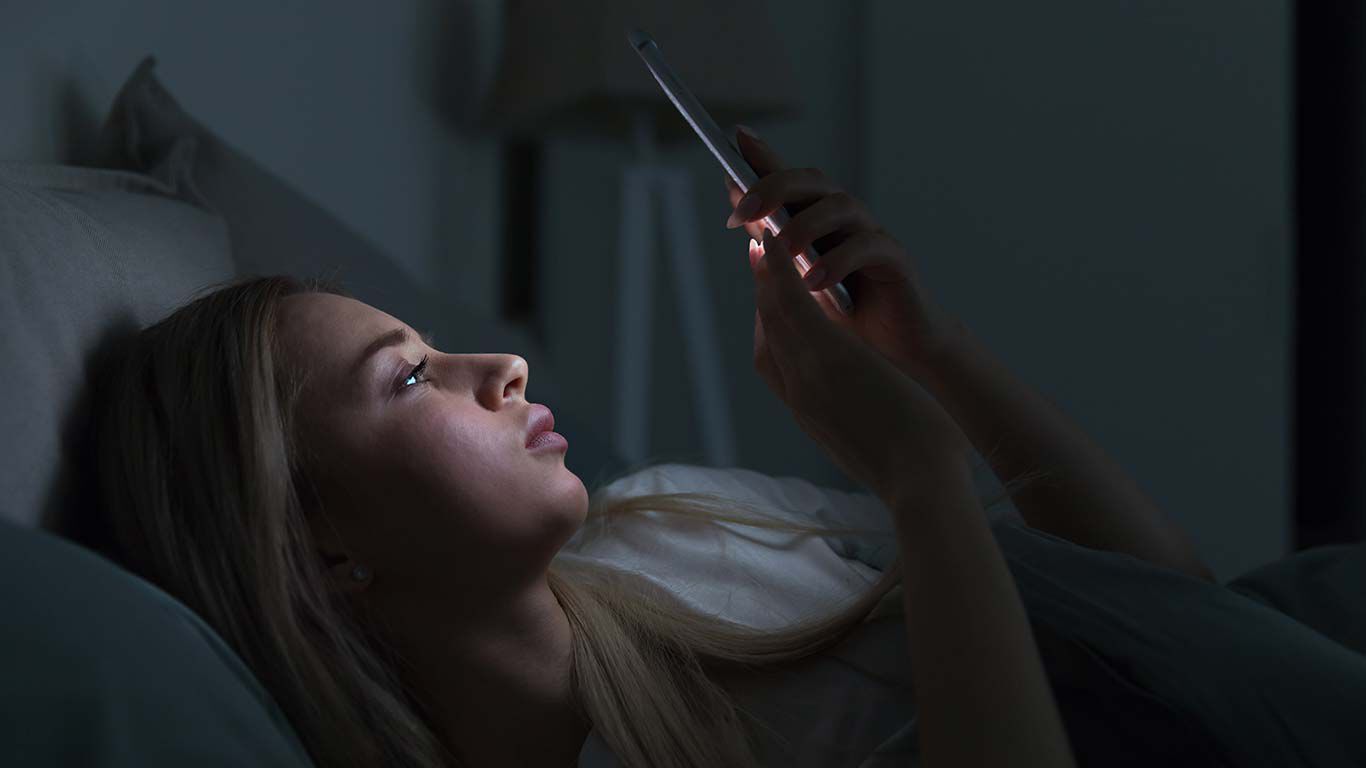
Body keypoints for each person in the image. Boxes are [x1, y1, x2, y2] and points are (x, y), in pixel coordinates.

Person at [90, 125, 1366, 768]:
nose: (502, 368)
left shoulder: (664, 516)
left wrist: (935, 358)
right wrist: (915, 476)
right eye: (411, 376)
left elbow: (1180, 621)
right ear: (318, 546)